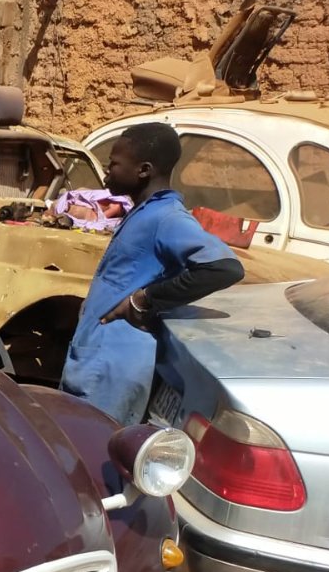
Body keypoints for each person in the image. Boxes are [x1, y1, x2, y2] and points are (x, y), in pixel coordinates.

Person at [60, 123, 244, 425]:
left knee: (91, 443)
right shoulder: (143, 211)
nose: (106, 173)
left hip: (112, 366)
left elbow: (224, 268)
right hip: (96, 356)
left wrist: (144, 299)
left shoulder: (166, 217)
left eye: (114, 164)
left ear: (143, 170)